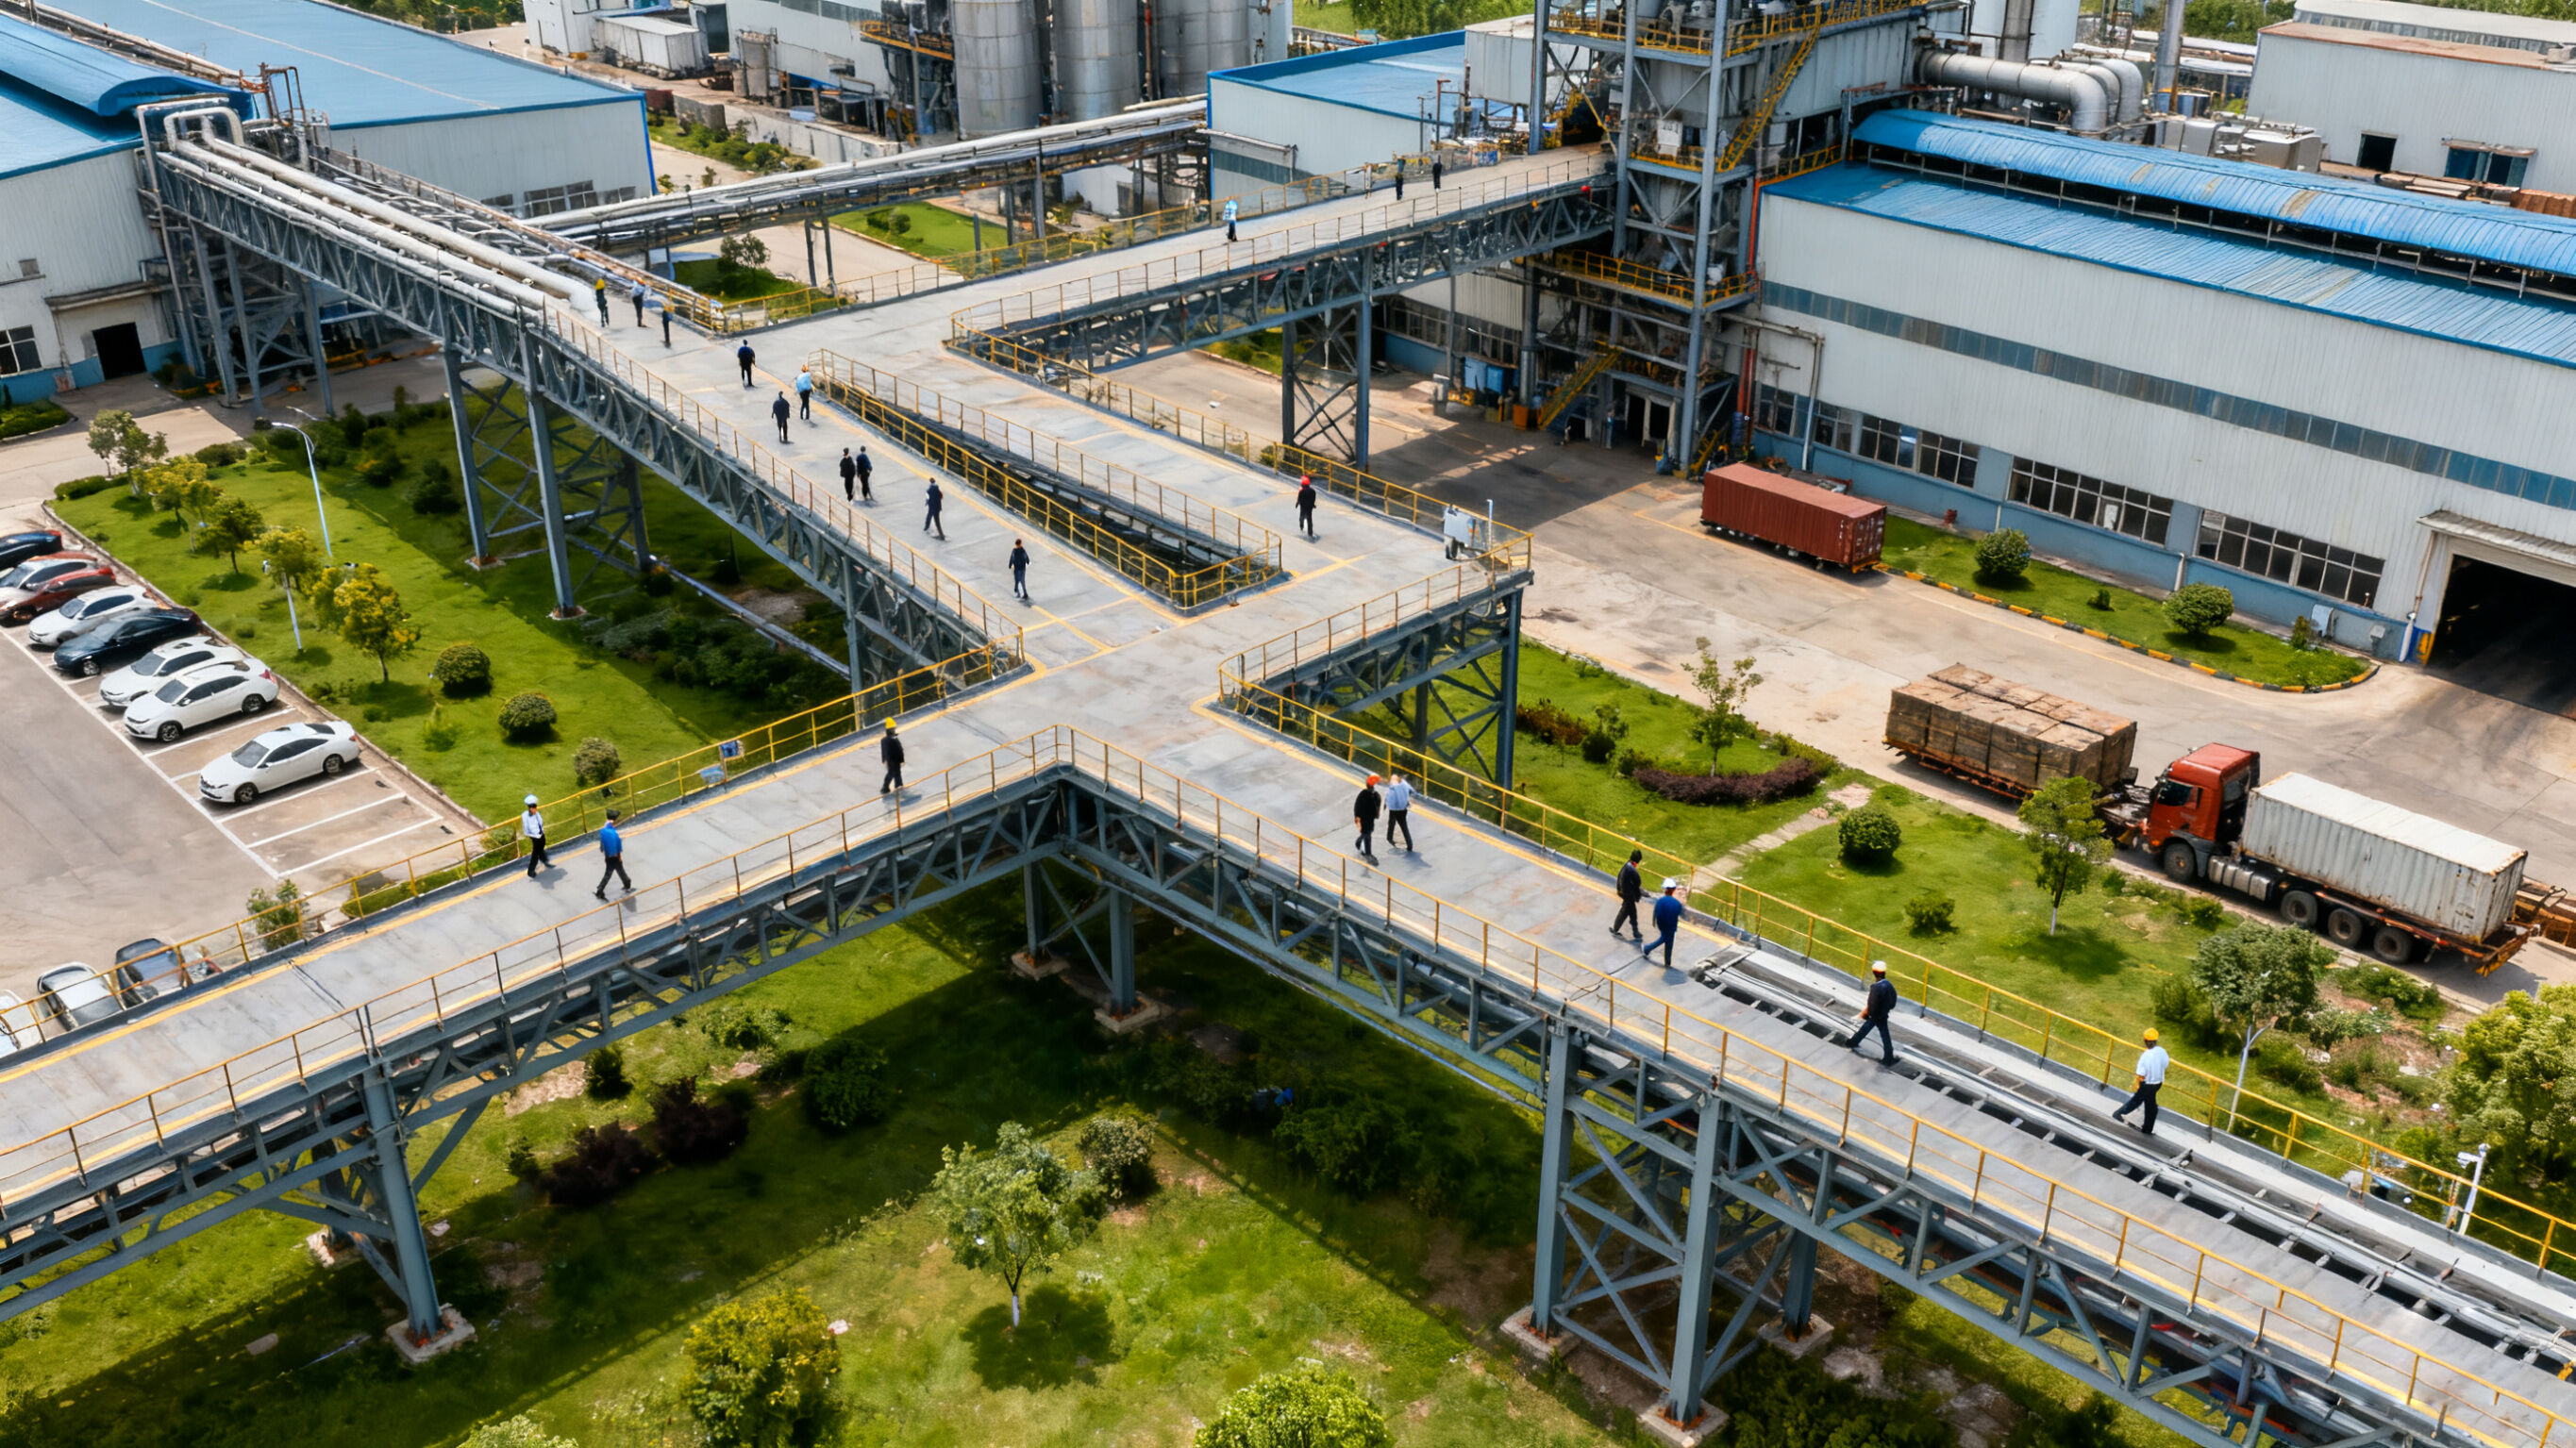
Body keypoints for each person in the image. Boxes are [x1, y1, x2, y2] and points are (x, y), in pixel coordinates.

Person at [2112, 1027, 2169, 1136]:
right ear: (2155, 1041)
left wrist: (2138, 1084)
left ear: (2146, 1041)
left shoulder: (2146, 1055)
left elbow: (2141, 1074)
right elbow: (2166, 1064)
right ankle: (2147, 1128)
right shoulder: (2162, 1051)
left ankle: (2119, 1114)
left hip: (2147, 1083)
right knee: (2150, 1105)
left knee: (2139, 1101)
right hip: (2157, 1083)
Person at [1843, 959, 1899, 1065]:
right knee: (1869, 1029)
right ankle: (1854, 1042)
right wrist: (1887, 1008)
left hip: (1876, 1015)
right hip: (1883, 1014)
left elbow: (1872, 1003)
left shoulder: (1876, 987)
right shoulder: (1889, 985)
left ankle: (1888, 1057)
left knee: (1882, 1034)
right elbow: (1893, 1000)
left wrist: (1869, 1014)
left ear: (1875, 973)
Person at [594, 808, 632, 900]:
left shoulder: (605, 831)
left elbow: (603, 845)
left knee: (616, 871)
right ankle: (601, 889)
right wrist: (619, 856)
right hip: (613, 857)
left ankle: (626, 882)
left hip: (609, 856)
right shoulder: (612, 833)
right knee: (612, 872)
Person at [1645, 878, 1683, 967]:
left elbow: (1656, 913)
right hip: (1671, 926)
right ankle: (1648, 949)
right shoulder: (1677, 904)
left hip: (1662, 925)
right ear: (1673, 890)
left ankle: (1666, 961)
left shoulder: (1660, 901)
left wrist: (1655, 923)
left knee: (1667, 940)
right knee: (1667, 941)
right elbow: (1678, 914)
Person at [1610, 848, 1645, 940]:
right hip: (1628, 895)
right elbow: (1637, 884)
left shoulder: (1626, 865)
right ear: (1637, 861)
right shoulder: (1633, 870)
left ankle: (1616, 929)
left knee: (1626, 911)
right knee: (1632, 913)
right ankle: (1635, 933)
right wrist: (1638, 897)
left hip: (1623, 892)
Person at [1351, 774, 1383, 863]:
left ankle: (1360, 844)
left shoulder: (1370, 795)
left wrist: (1357, 816)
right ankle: (1367, 852)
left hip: (1367, 818)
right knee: (1367, 834)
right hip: (1365, 818)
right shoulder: (1370, 795)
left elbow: (1357, 806)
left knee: (1367, 833)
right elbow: (1358, 806)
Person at [1383, 773, 1414, 852]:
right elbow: (1411, 791)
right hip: (1403, 809)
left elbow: (1389, 796)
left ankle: (1389, 837)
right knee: (1403, 826)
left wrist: (1385, 804)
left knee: (1393, 822)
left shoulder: (1394, 786)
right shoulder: (1404, 784)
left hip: (1395, 809)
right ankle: (1409, 844)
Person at [520, 792, 549, 877]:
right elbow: (526, 828)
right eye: (534, 807)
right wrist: (532, 835)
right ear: (530, 808)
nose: (536, 808)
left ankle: (543, 859)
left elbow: (540, 822)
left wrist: (541, 831)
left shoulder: (536, 813)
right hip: (535, 836)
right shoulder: (525, 816)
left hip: (540, 834)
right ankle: (531, 870)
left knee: (542, 846)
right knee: (535, 854)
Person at [879, 724, 906, 795]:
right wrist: (902, 760)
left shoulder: (883, 740)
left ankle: (885, 788)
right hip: (895, 759)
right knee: (896, 773)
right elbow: (899, 749)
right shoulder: (894, 739)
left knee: (891, 773)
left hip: (889, 760)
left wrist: (884, 759)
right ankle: (898, 787)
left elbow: (883, 750)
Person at [1295, 474, 1317, 540]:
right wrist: (1313, 505)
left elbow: (1299, 499)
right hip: (1309, 507)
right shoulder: (1313, 491)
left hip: (1303, 507)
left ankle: (1302, 528)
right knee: (1309, 519)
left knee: (1302, 517)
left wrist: (1297, 503)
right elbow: (1313, 499)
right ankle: (1310, 533)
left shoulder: (1301, 491)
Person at [1009, 538, 1031, 602]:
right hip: (1022, 567)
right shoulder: (1022, 550)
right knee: (1022, 581)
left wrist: (1010, 565)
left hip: (1017, 568)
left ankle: (1018, 593)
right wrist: (1027, 561)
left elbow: (1012, 558)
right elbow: (1026, 556)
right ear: (1020, 543)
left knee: (1017, 580)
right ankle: (1025, 593)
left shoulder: (1014, 550)